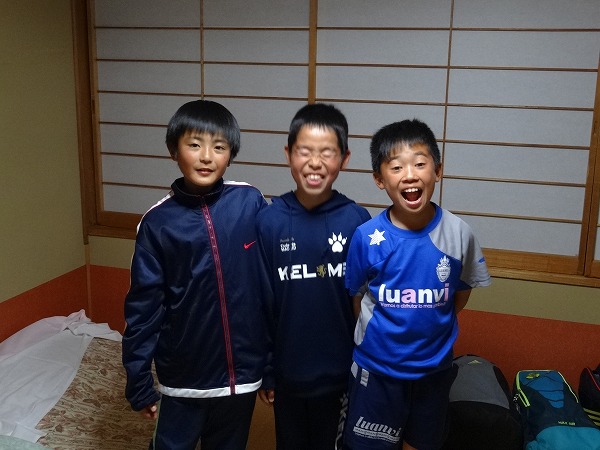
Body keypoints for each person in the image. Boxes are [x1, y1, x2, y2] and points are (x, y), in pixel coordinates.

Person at [122, 99, 270, 450]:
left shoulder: (249, 203)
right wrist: (138, 380)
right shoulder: (157, 223)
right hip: (183, 379)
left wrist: (271, 365)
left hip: (241, 378)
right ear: (174, 150)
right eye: (194, 144)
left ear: (230, 155)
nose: (206, 157)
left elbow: (268, 291)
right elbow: (144, 309)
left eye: (218, 147)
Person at [343, 119, 491, 450]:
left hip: (433, 369)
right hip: (377, 368)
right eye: (396, 167)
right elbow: (357, 298)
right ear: (380, 179)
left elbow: (460, 295)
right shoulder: (366, 237)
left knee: (422, 442)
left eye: (420, 164)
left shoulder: (459, 233)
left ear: (437, 171)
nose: (410, 175)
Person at [256, 103, 371, 450]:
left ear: (345, 158)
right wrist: (267, 369)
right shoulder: (269, 221)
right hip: (287, 374)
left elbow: (366, 303)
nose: (315, 162)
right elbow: (261, 304)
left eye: (327, 152)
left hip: (340, 375)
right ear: (288, 154)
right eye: (304, 151)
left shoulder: (356, 220)